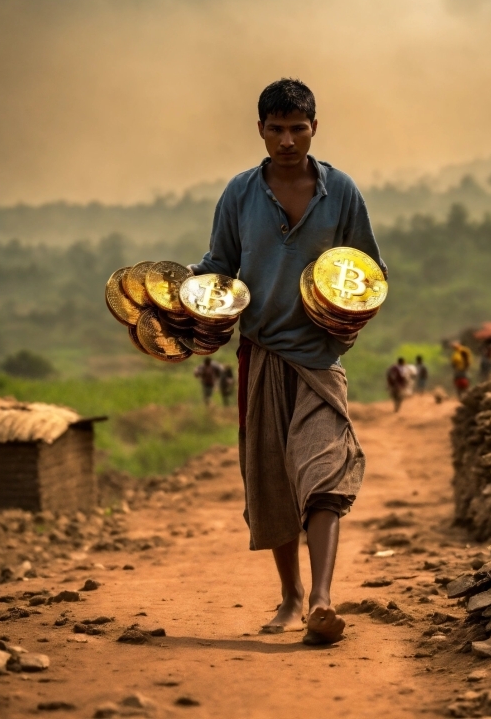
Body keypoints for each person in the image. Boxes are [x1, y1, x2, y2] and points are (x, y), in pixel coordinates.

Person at [189, 78, 386, 646]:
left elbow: (367, 268)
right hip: (261, 355)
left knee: (323, 473)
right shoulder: (239, 194)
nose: (287, 140)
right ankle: (290, 597)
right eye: (276, 129)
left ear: (314, 129)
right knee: (273, 479)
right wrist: (182, 299)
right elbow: (219, 264)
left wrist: (352, 314)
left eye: (298, 128)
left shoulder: (341, 191)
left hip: (319, 360)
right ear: (260, 131)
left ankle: (323, 599)